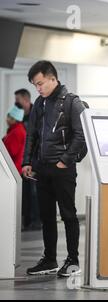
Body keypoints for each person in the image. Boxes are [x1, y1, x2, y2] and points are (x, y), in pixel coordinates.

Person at [22, 60, 87, 277]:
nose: (38, 88)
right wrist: (27, 162)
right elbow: (32, 135)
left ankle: (72, 261)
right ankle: (49, 259)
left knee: (68, 215)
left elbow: (81, 135)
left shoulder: (71, 102)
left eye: (40, 83)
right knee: (47, 216)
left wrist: (65, 160)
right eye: (35, 85)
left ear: (53, 78)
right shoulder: (39, 104)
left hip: (63, 169)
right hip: (42, 168)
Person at [15, 88, 41, 231]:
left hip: (34, 161)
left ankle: (37, 221)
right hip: (23, 162)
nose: (16, 103)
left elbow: (34, 140)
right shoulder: (19, 116)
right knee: (26, 194)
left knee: (35, 193)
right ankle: (28, 220)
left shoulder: (35, 114)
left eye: (17, 99)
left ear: (25, 99)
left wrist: (32, 162)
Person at [2, 105, 26, 174]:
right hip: (14, 169)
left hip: (13, 170)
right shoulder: (16, 130)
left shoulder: (17, 132)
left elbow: (10, 152)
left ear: (14, 119)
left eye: (9, 117)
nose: (7, 119)